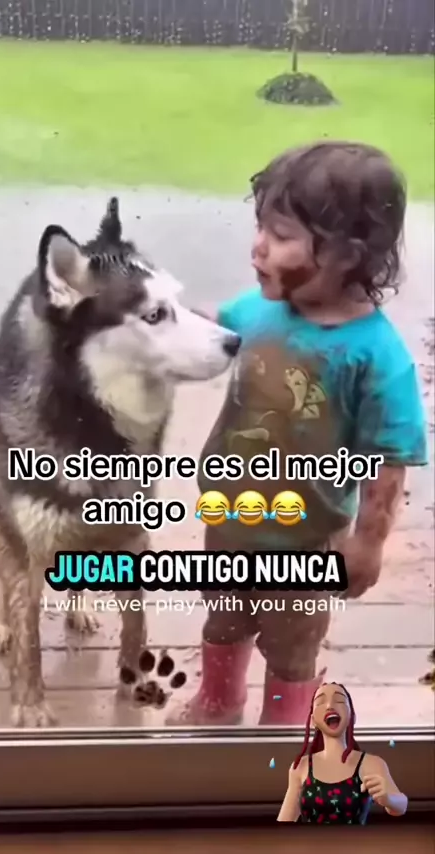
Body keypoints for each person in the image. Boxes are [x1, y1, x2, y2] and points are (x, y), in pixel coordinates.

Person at [167, 141, 428, 727]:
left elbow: (389, 462)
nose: (258, 245)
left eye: (280, 234)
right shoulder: (260, 310)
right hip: (228, 519)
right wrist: (157, 322)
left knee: (291, 645)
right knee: (222, 618)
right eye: (260, 227)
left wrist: (368, 542)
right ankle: (219, 703)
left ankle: (281, 729)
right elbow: (211, 329)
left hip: (305, 542)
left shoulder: (377, 356)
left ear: (347, 254)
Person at [277, 681, 408, 823]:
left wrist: (389, 799)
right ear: (313, 720)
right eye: (320, 702)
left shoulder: (371, 763)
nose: (330, 706)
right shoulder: (301, 767)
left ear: (352, 716)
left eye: (339, 700)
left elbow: (401, 806)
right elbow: (284, 822)